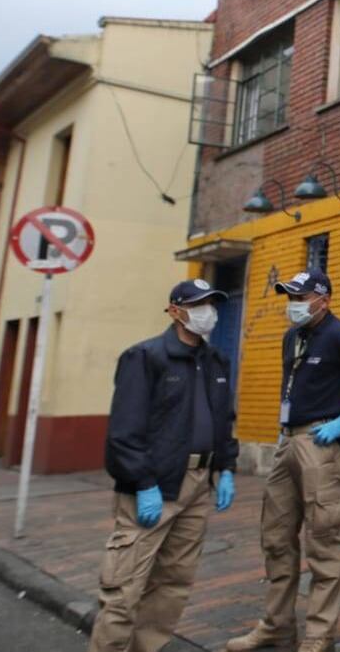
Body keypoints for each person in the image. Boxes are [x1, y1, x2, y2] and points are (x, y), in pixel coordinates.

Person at [90, 279, 239, 652]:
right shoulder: (145, 357)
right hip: (155, 484)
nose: (208, 313)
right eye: (198, 304)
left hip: (198, 483)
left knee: (173, 583)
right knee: (124, 586)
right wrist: (142, 482)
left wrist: (227, 468)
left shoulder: (216, 360)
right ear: (175, 311)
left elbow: (223, 420)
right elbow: (124, 430)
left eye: (211, 304)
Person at [228, 269, 340, 652]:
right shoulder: (292, 337)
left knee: (322, 540)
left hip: (322, 441)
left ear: (324, 299)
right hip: (287, 440)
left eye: (301, 298)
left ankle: (319, 635)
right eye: (290, 297)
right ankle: (277, 625)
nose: (294, 305)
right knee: (276, 537)